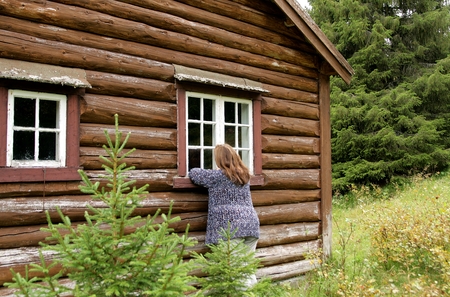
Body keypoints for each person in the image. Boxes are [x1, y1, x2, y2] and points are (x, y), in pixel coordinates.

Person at [189, 143, 260, 287]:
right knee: (247, 268)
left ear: (220, 160)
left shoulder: (217, 176)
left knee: (235, 271)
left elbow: (194, 173)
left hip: (231, 228)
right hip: (251, 225)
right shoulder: (244, 175)